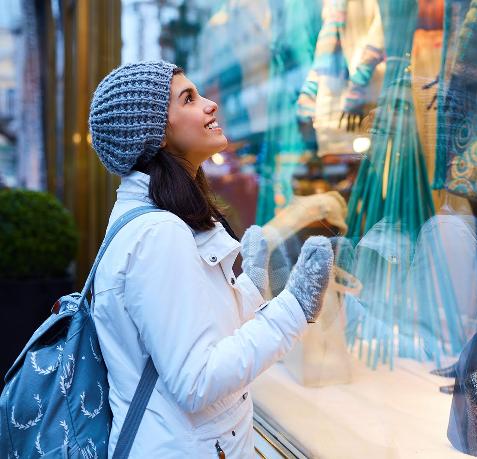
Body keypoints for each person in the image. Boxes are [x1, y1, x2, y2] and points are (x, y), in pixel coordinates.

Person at [87, 61, 333, 457]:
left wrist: (248, 293)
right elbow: (195, 381)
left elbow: (192, 331)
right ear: (157, 134)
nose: (210, 104)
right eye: (188, 98)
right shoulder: (157, 234)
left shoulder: (165, 219)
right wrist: (293, 310)